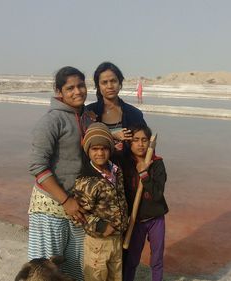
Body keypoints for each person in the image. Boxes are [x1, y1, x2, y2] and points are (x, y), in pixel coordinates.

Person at [28, 66, 93, 281]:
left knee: (76, 267)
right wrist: (65, 200)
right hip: (50, 205)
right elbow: (37, 166)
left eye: (81, 85)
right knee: (46, 271)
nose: (77, 91)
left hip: (78, 206)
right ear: (59, 91)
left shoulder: (86, 117)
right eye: (70, 88)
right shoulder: (51, 120)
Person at [72, 122, 129, 281]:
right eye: (94, 149)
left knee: (115, 276)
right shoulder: (86, 181)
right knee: (96, 277)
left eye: (104, 148)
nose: (100, 153)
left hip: (117, 239)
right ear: (88, 151)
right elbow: (77, 215)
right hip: (97, 242)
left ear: (110, 149)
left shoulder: (116, 171)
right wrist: (101, 225)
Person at [122, 124, 168, 281]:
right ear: (130, 143)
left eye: (144, 140)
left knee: (157, 258)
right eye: (136, 140)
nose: (140, 144)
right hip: (136, 221)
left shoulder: (157, 163)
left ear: (150, 142)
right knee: (132, 259)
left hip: (156, 218)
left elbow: (157, 194)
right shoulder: (125, 164)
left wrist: (143, 174)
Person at [86, 62, 147, 150]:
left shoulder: (134, 114)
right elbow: (84, 138)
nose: (110, 86)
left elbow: (144, 142)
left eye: (113, 81)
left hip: (127, 163)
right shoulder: (89, 112)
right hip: (96, 163)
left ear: (120, 83)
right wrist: (112, 135)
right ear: (98, 86)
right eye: (104, 82)